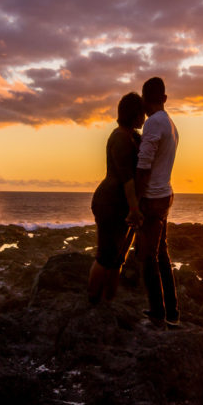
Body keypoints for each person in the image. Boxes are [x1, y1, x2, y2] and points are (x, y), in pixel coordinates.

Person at [88, 92, 146, 304]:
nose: (145, 118)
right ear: (134, 114)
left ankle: (107, 303)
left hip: (121, 205)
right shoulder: (120, 138)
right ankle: (93, 301)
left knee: (118, 259)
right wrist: (134, 210)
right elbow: (127, 180)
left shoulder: (133, 136)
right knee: (105, 257)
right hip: (109, 203)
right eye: (142, 113)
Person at [135, 76, 179, 327]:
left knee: (147, 256)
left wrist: (135, 203)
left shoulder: (153, 124)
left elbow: (143, 167)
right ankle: (171, 311)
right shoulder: (171, 124)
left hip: (152, 198)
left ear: (143, 99)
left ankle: (158, 313)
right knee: (161, 255)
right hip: (165, 194)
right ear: (163, 98)